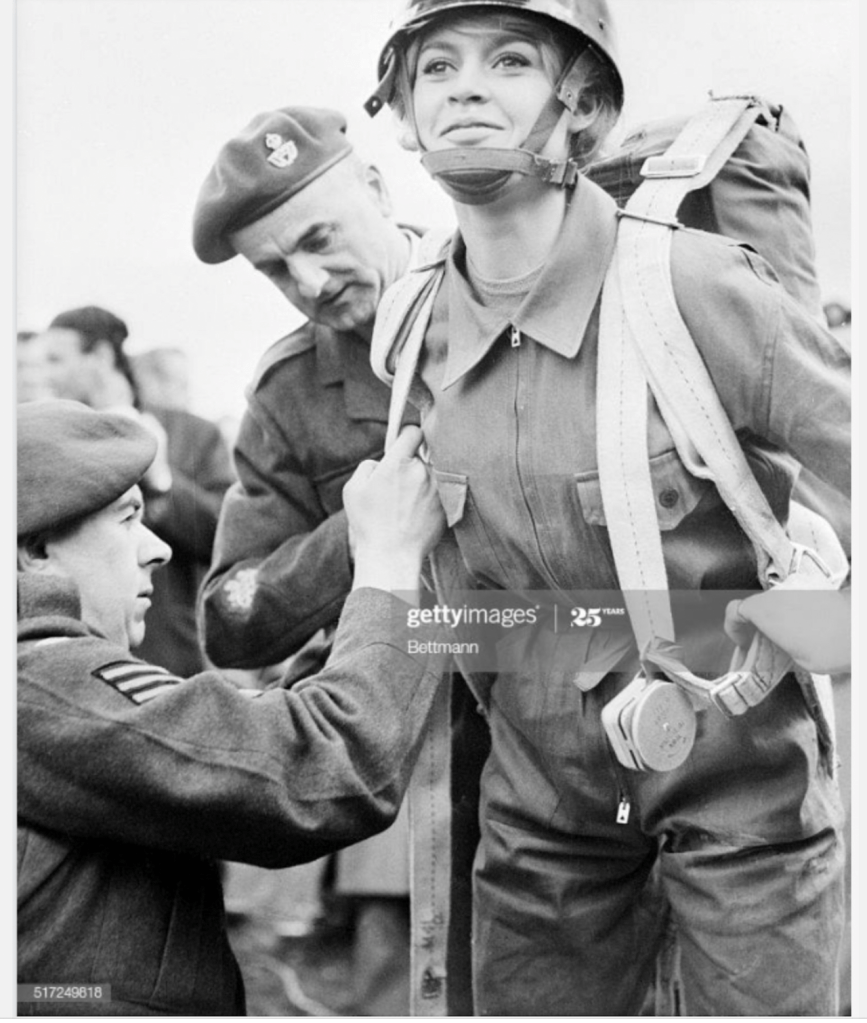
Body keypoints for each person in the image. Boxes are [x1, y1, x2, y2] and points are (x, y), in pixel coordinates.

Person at [363, 0, 851, 1015]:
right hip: (538, 803)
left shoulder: (689, 285)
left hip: (740, 780)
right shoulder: (411, 329)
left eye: (509, 61)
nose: (464, 88)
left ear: (581, 105)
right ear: (402, 115)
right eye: (436, 67)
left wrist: (823, 617)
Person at [192, 105, 484, 1015]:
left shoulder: (510, 293)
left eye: (318, 239)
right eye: (275, 268)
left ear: (376, 188)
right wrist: (364, 530)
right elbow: (231, 619)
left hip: (577, 710)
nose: (309, 282)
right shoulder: (289, 394)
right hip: (420, 759)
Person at [17, 398, 446, 1017]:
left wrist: (376, 611)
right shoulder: (48, 685)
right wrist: (390, 559)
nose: (158, 549)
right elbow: (324, 771)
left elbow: (268, 729)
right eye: (127, 518)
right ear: (35, 550)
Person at [41, 307, 235, 675]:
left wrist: (163, 478)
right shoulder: (52, 443)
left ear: (100, 356)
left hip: (173, 656)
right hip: (77, 660)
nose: (47, 375)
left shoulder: (193, 435)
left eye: (57, 360)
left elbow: (224, 534)